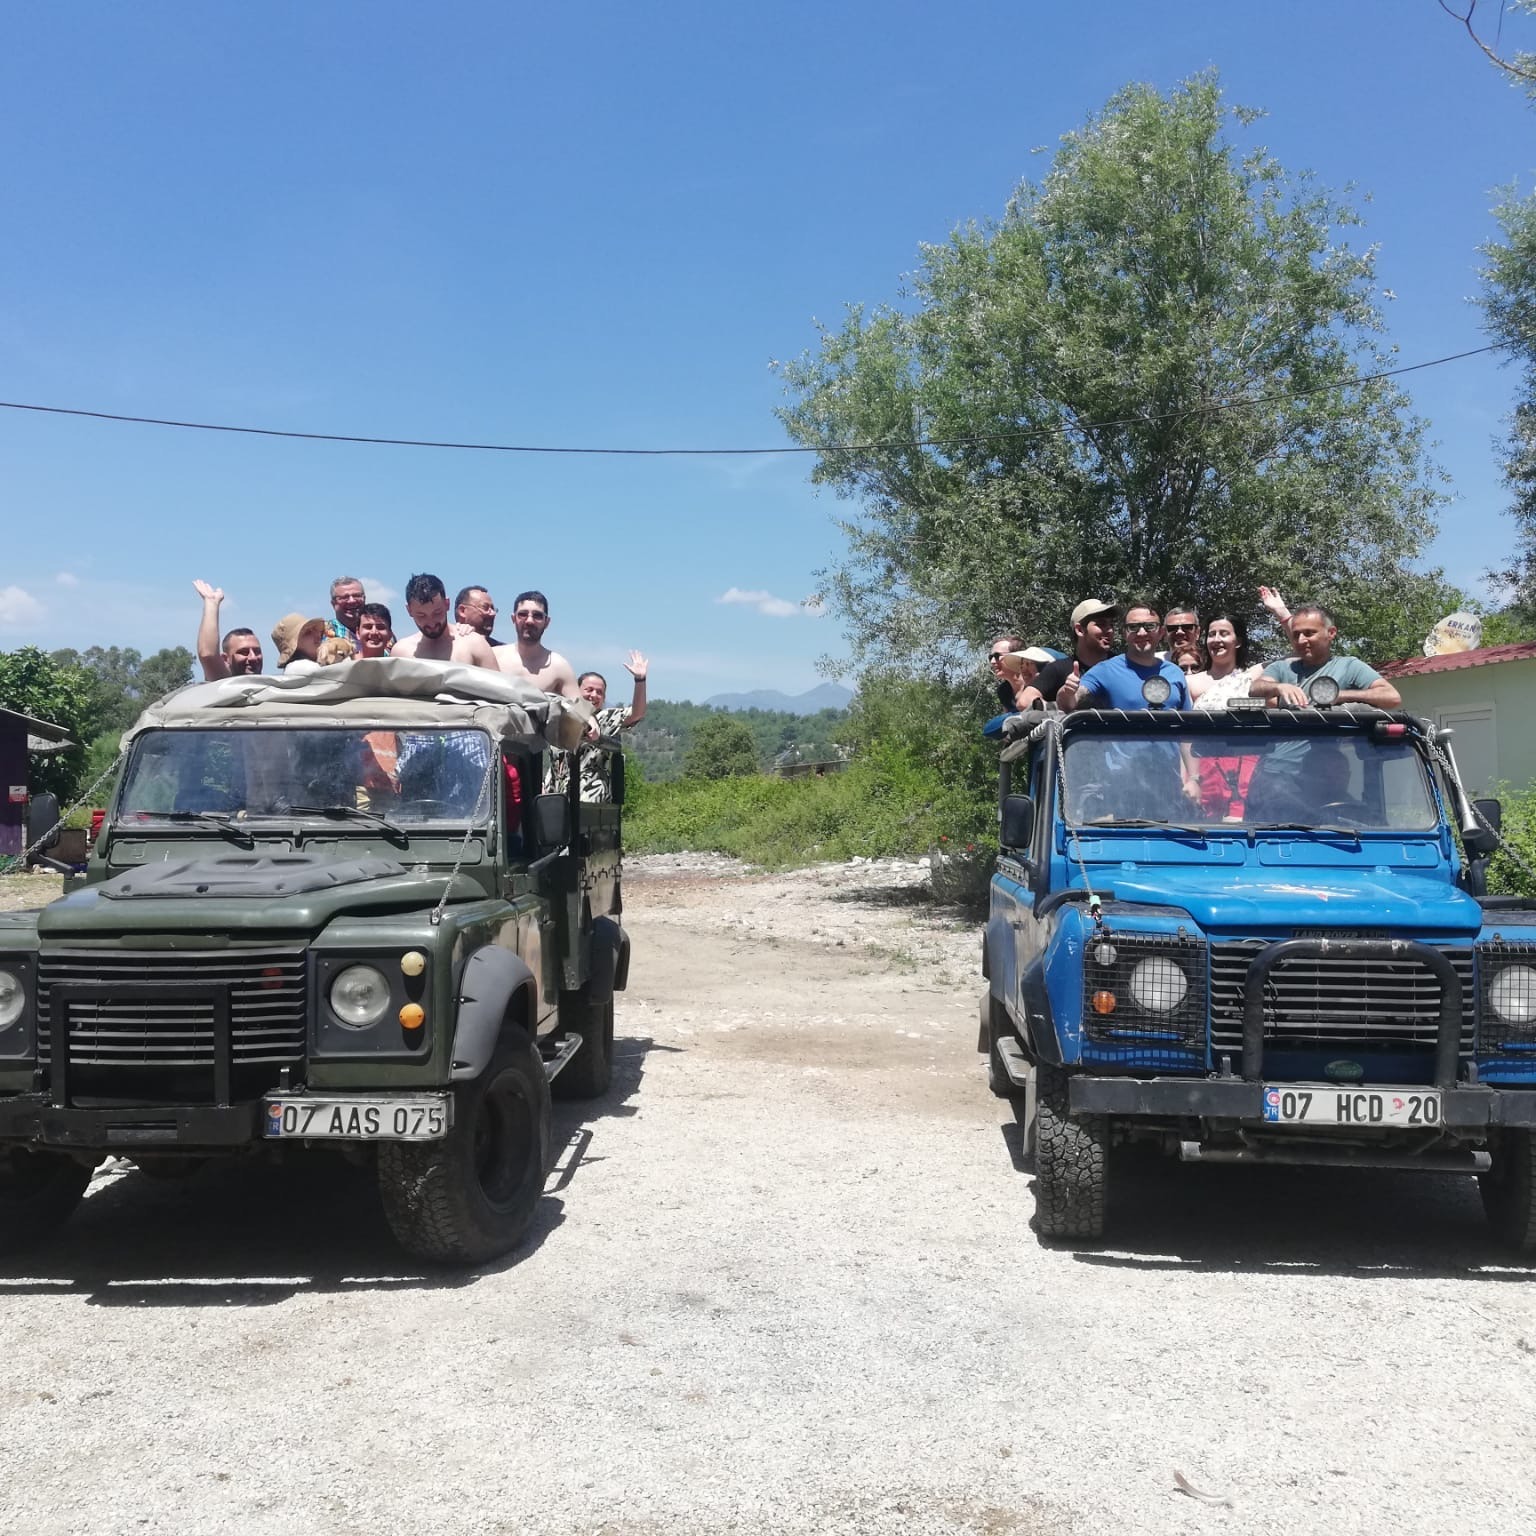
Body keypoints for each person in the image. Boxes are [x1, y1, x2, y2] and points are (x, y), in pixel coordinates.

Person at [1249, 604, 1402, 709]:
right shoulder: (1281, 668)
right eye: (1296, 635)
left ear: (1331, 633)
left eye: (1309, 633)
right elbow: (1255, 688)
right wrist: (1279, 687)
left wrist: (1337, 695)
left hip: (1327, 753)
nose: (1301, 640)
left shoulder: (1349, 666)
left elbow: (1391, 697)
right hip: (1277, 755)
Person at [1188, 613, 1266, 818]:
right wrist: (1191, 778)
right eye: (1211, 634)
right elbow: (1184, 736)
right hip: (1205, 766)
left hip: (1244, 766)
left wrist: (1281, 613)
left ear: (1238, 641)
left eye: (1224, 633)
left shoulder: (1249, 677)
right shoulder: (1191, 682)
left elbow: (1294, 654)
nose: (1217, 639)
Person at [548, 652, 650, 800]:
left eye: (599, 692)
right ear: (576, 691)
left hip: (590, 793)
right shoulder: (559, 716)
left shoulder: (606, 718)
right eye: (589, 690)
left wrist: (640, 680)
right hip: (557, 792)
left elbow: (637, 713)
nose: (594, 695)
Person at [392, 574, 498, 668]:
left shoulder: (473, 643)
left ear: (447, 604)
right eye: (421, 615)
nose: (431, 622)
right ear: (409, 611)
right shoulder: (401, 652)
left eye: (437, 613)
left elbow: (497, 688)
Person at [492, 590, 578, 697]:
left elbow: (579, 711)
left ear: (546, 622)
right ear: (513, 619)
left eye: (537, 615)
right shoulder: (492, 657)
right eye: (522, 614)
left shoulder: (559, 667)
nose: (529, 621)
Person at [1037, 600, 1118, 706]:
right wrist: (1057, 706)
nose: (1110, 630)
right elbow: (1025, 700)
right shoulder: (1058, 669)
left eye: (1111, 624)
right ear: (1079, 630)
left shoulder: (1123, 666)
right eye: (1101, 624)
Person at [192, 579, 263, 679]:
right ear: (225, 659)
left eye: (257, 651)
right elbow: (208, 655)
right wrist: (211, 603)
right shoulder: (224, 684)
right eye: (243, 652)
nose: (253, 657)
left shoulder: (272, 688)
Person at [982, 646, 1058, 737]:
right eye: (1021, 665)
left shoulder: (1061, 696)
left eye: (1029, 664)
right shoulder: (1004, 691)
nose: (1024, 670)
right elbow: (990, 729)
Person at [1163, 603, 1203, 674]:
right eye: (1172, 628)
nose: (1179, 632)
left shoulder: (1212, 664)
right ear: (1165, 633)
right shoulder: (1153, 663)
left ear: (1197, 632)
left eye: (1187, 627)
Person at [987, 636, 1024, 710]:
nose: (992, 662)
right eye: (991, 657)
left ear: (1016, 656)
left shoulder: (1037, 683)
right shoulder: (1003, 691)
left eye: (997, 656)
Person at [324, 577, 366, 643]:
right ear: (333, 604)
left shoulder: (378, 635)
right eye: (344, 597)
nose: (351, 601)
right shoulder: (322, 635)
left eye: (356, 596)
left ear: (364, 599)